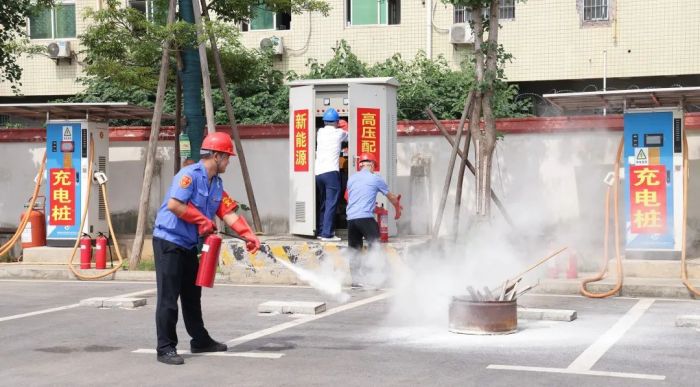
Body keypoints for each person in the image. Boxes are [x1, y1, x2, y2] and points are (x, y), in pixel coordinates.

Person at [152, 132, 261, 365]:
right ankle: (165, 348)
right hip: (169, 241)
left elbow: (228, 212)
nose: (228, 162)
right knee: (169, 298)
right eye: (227, 158)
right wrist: (202, 221)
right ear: (216, 155)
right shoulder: (189, 176)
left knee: (192, 296)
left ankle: (199, 340)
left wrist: (249, 235)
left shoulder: (216, 184)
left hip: (189, 244)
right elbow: (174, 205)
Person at [345, 152, 402, 250]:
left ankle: (355, 266)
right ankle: (374, 265)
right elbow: (392, 198)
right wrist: (398, 211)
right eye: (374, 167)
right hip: (366, 219)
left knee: (354, 251)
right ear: (371, 165)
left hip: (351, 219)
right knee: (375, 248)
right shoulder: (375, 178)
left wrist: (372, 207)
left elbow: (347, 197)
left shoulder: (351, 179)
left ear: (360, 165)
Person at [315, 108, 348, 242]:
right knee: (331, 203)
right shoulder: (339, 133)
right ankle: (328, 234)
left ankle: (322, 230)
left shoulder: (320, 132)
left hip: (318, 173)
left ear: (324, 121)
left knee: (323, 202)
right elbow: (353, 135)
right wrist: (343, 123)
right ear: (336, 122)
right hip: (331, 173)